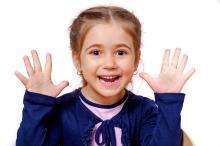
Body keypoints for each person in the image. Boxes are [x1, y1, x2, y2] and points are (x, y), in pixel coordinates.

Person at [15, 6, 195, 146]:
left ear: (136, 59)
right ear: (77, 60)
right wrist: (37, 103)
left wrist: (169, 102)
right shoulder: (62, 111)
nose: (109, 63)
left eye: (121, 52)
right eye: (95, 52)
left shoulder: (145, 111)